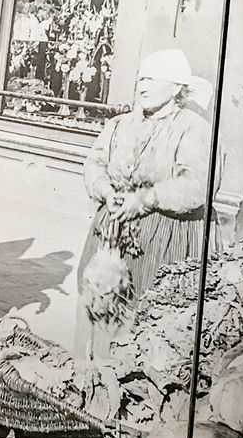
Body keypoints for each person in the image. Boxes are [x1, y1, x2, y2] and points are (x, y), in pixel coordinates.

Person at [77, 48, 220, 351]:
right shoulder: (119, 124)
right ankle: (93, 378)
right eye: (141, 78)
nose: (142, 85)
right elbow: (95, 163)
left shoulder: (195, 129)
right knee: (101, 302)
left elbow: (198, 185)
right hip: (112, 231)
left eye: (151, 79)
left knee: (150, 313)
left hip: (165, 235)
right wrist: (105, 189)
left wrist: (145, 200)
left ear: (175, 88)